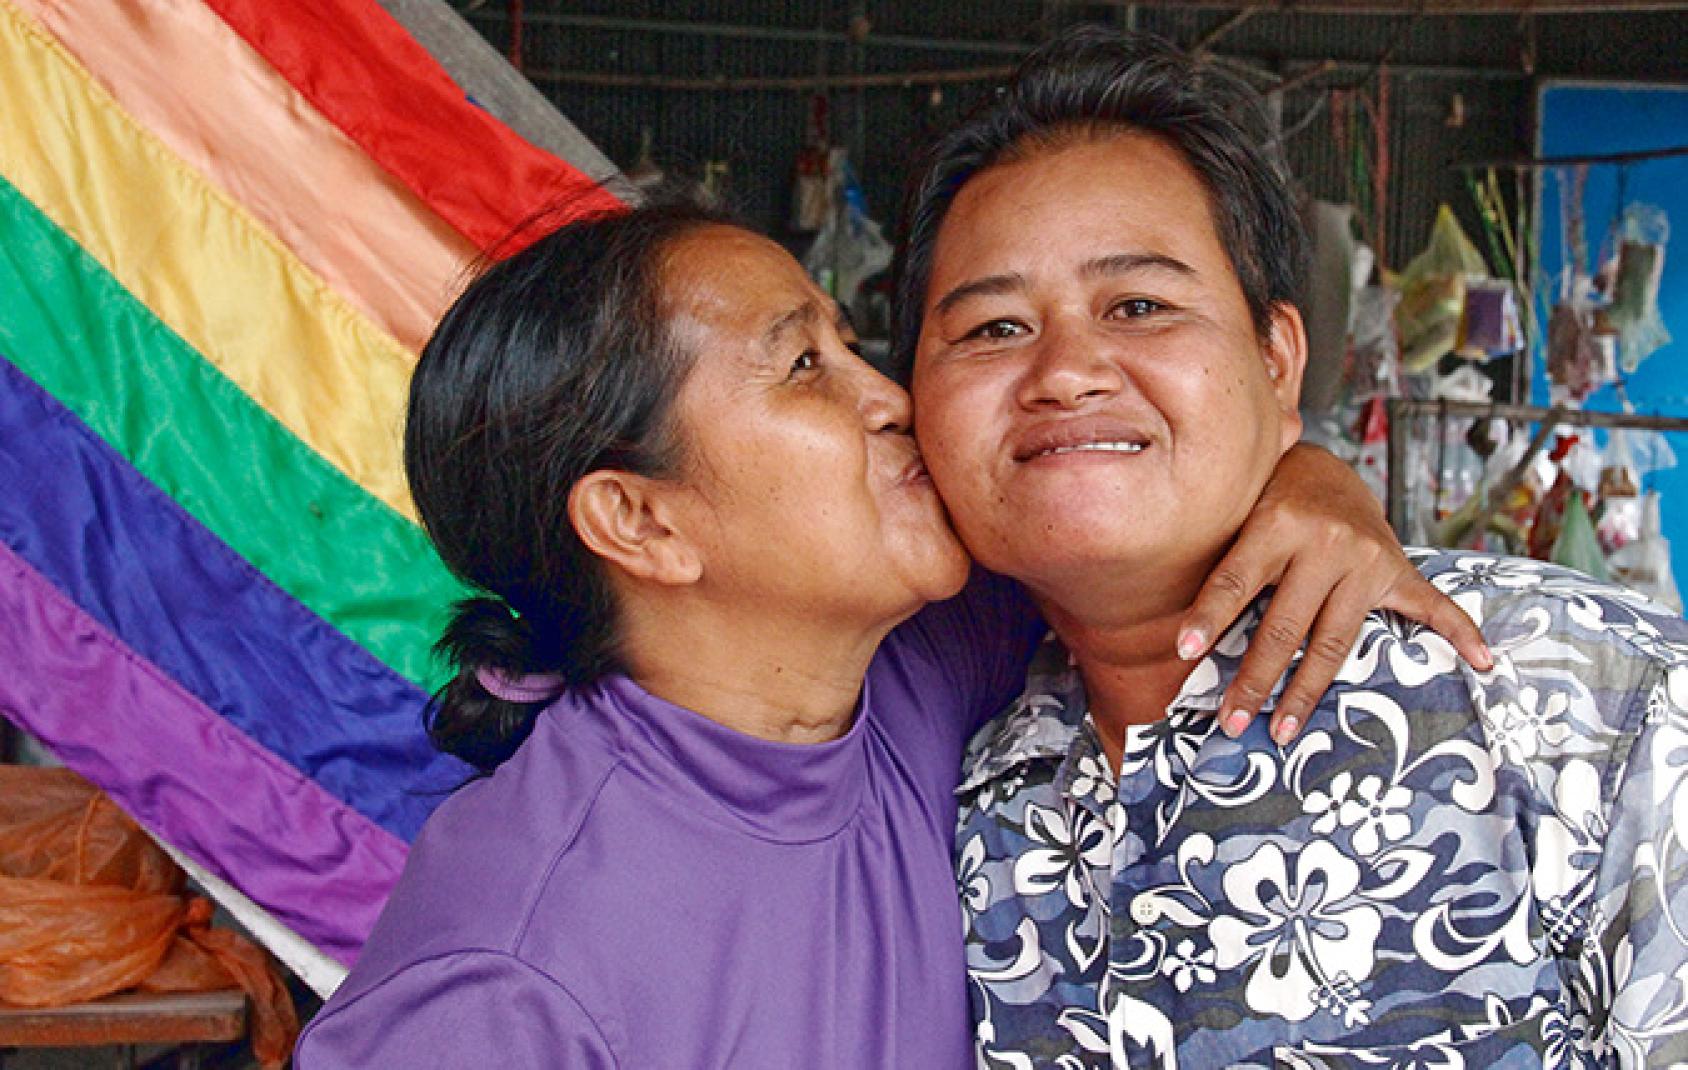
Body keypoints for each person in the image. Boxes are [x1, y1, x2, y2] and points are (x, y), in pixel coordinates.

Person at [292, 192, 1479, 1067]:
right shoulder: (508, 981)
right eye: (804, 363)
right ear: (640, 520)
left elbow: (1129, 502)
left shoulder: (907, 667)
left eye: (850, 343)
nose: (887, 397)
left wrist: (1304, 472)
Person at [898, 27, 1688, 1068]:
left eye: (1137, 305)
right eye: (993, 327)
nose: (1064, 370)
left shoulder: (1585, 701)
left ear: (1276, 362)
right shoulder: (956, 793)